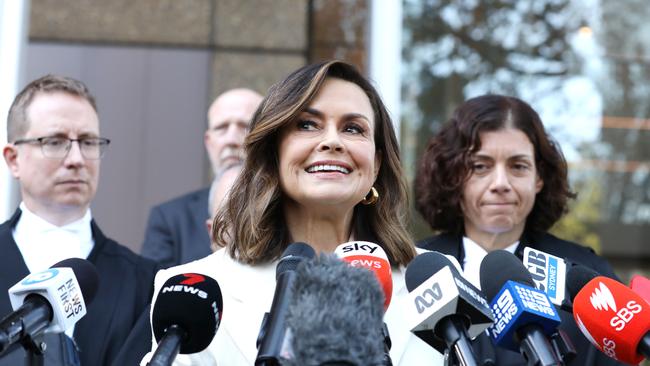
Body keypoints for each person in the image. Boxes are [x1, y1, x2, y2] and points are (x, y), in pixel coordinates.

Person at [142, 60, 443, 365]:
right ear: (274, 153)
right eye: (307, 125)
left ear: (376, 164)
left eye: (353, 128)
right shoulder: (194, 287)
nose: (332, 141)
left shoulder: (436, 283)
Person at [415, 94, 623, 365]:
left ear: (539, 178)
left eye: (518, 166)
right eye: (480, 166)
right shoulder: (415, 270)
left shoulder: (588, 278)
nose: (500, 183)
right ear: (454, 176)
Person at [1, 75, 157, 365]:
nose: (76, 158)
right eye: (55, 141)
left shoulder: (146, 282)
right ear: (13, 159)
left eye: (87, 142)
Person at [141, 88, 263, 268]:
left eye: (245, 126)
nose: (231, 139)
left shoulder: (294, 210)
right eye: (221, 128)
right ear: (209, 141)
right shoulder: (170, 218)